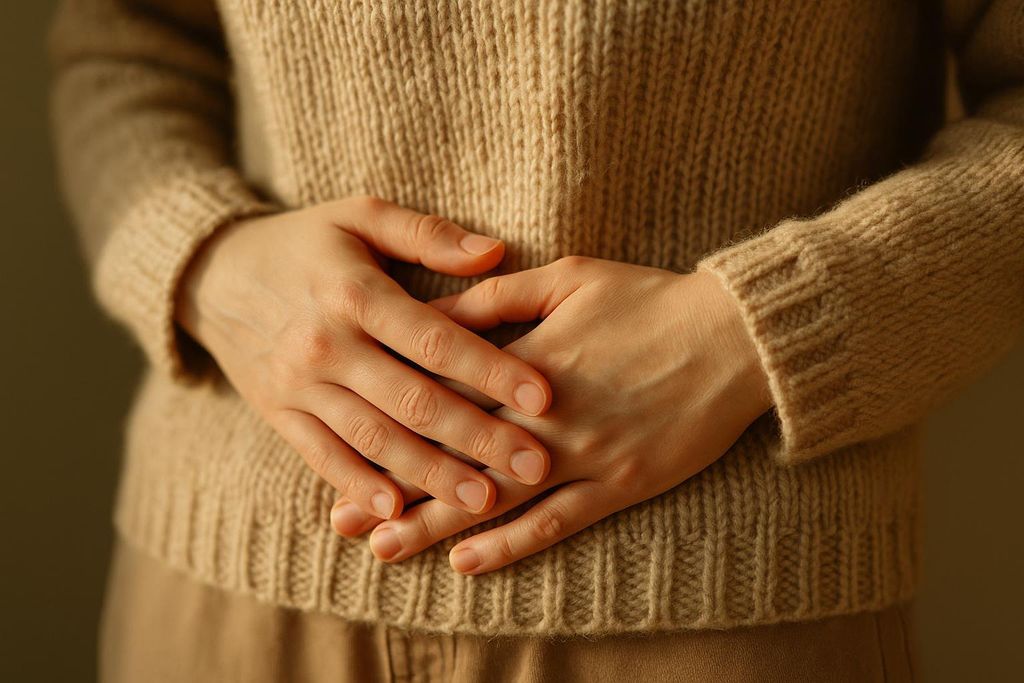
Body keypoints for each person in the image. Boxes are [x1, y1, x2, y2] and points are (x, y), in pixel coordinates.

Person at [50, 0, 1022, 681]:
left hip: (719, 611)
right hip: (228, 598)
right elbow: (121, 38)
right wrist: (205, 255)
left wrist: (747, 333)